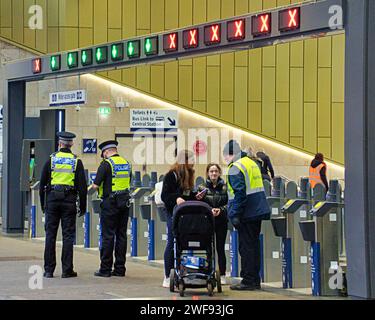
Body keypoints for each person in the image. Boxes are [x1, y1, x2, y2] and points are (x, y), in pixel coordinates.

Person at [223, 140, 271, 291]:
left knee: (246, 247)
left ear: (230, 154)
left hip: (247, 213)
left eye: (225, 156)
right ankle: (254, 279)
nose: (225, 160)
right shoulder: (251, 163)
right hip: (257, 210)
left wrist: (235, 214)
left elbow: (239, 193)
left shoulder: (235, 167)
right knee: (254, 246)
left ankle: (248, 280)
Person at [39, 131, 87, 278]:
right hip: (69, 201)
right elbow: (82, 187)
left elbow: (42, 184)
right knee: (68, 236)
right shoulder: (76, 161)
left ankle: (48, 270)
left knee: (50, 235)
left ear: (59, 144)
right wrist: (83, 207)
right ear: (71, 144)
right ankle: (67, 270)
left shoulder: (51, 160)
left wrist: (43, 204)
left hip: (52, 200)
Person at [91, 140, 132, 277]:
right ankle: (120, 269)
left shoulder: (106, 164)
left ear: (106, 152)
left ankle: (105, 269)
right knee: (121, 235)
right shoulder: (126, 163)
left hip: (110, 204)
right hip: (124, 203)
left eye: (103, 153)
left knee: (108, 236)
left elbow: (96, 185)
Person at [160, 150, 196, 288]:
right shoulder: (171, 175)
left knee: (182, 242)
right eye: (191, 159)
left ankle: (182, 270)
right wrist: (176, 198)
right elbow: (165, 195)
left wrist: (195, 196)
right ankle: (167, 275)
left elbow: (187, 195)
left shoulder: (190, 175)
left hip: (184, 213)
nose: (194, 161)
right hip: (172, 213)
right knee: (171, 241)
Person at [196, 163, 229, 284]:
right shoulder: (201, 188)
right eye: (211, 171)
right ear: (208, 173)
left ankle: (223, 274)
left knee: (220, 248)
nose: (214, 173)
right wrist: (207, 208)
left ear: (219, 173)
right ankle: (208, 272)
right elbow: (198, 205)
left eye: (216, 171)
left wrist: (221, 210)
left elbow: (229, 203)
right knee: (208, 248)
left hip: (221, 221)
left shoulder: (226, 187)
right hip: (208, 222)